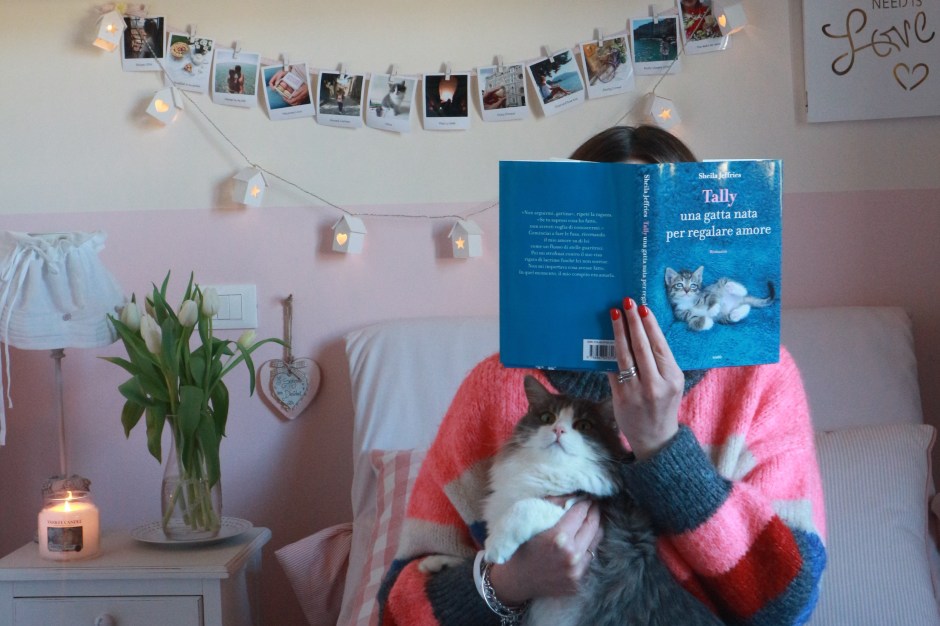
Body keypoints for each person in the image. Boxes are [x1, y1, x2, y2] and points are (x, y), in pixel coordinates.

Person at [378, 125, 827, 625]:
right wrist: (510, 583)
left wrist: (662, 448)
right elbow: (398, 611)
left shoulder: (758, 378)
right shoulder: (497, 388)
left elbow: (789, 603)